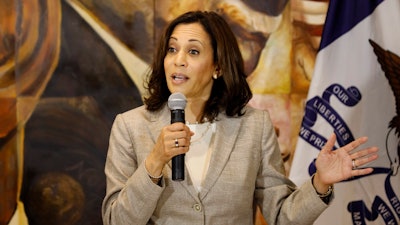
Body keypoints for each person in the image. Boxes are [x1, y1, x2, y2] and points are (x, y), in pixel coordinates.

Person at [101, 10, 379, 225]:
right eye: (172, 49)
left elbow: (282, 216)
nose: (178, 60)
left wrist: (320, 182)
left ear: (218, 66)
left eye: (193, 51)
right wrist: (154, 161)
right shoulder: (130, 126)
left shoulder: (254, 126)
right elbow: (116, 220)